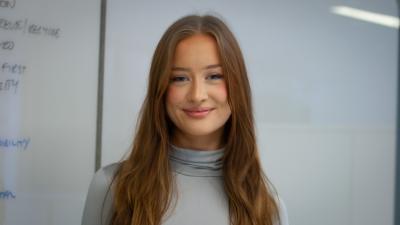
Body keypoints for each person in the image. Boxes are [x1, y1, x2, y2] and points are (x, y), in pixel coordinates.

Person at [82, 14, 289, 225]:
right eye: (180, 78)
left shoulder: (267, 206)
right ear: (160, 90)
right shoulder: (112, 187)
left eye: (214, 76)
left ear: (239, 86)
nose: (197, 95)